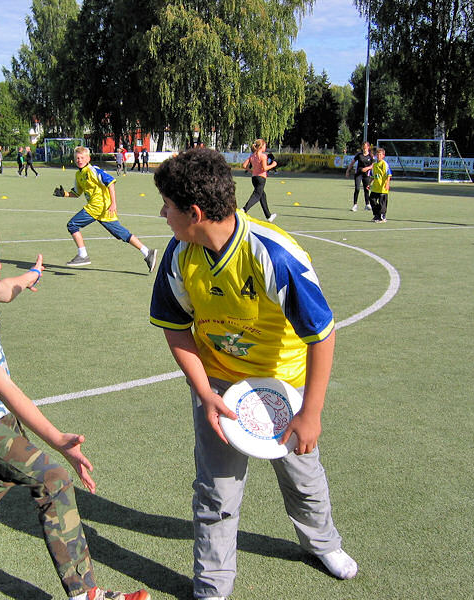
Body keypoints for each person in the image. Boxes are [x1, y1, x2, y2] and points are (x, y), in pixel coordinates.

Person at [149, 148, 358, 600]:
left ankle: (323, 544)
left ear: (195, 212)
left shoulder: (275, 255)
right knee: (216, 491)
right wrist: (205, 392)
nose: (161, 213)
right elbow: (176, 328)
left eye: (167, 205)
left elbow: (322, 334)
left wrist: (311, 414)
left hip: (284, 385)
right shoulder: (179, 253)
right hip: (220, 386)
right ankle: (213, 585)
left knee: (303, 476)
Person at [0, 214, 150, 600]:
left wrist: (32, 276)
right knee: (52, 477)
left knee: (3, 472)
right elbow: (4, 387)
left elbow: (8, 288)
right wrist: (57, 438)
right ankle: (84, 593)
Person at [53, 146, 157, 271]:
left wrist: (114, 203)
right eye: (77, 158)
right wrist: (64, 194)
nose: (79, 160)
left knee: (72, 225)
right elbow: (76, 193)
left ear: (88, 158)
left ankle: (83, 255)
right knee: (121, 234)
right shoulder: (78, 175)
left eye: (82, 157)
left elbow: (111, 182)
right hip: (102, 210)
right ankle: (147, 252)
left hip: (98, 206)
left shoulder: (93, 170)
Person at [240, 138, 277, 221]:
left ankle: (269, 216)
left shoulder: (252, 156)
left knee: (262, 195)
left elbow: (244, 165)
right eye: (265, 145)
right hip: (261, 178)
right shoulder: (263, 156)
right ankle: (244, 209)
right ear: (261, 146)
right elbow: (264, 168)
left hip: (254, 178)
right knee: (257, 195)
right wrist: (273, 165)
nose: (265, 147)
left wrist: (251, 170)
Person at [345, 141, 374, 211]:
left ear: (368, 147)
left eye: (366, 146)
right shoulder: (359, 155)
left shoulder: (371, 156)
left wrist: (367, 168)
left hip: (367, 175)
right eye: (363, 146)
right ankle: (355, 205)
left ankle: (367, 204)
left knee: (366, 189)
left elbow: (373, 165)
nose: (364, 148)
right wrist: (348, 170)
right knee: (357, 189)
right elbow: (352, 162)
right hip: (358, 174)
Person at [369, 147, 392, 223]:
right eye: (377, 154)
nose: (378, 156)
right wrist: (369, 183)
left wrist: (387, 184)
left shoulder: (384, 164)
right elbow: (372, 176)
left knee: (382, 203)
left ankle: (382, 217)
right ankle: (377, 215)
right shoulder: (374, 165)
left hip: (383, 187)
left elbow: (388, 174)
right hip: (375, 187)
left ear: (383, 156)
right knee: (372, 200)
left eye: (380, 154)